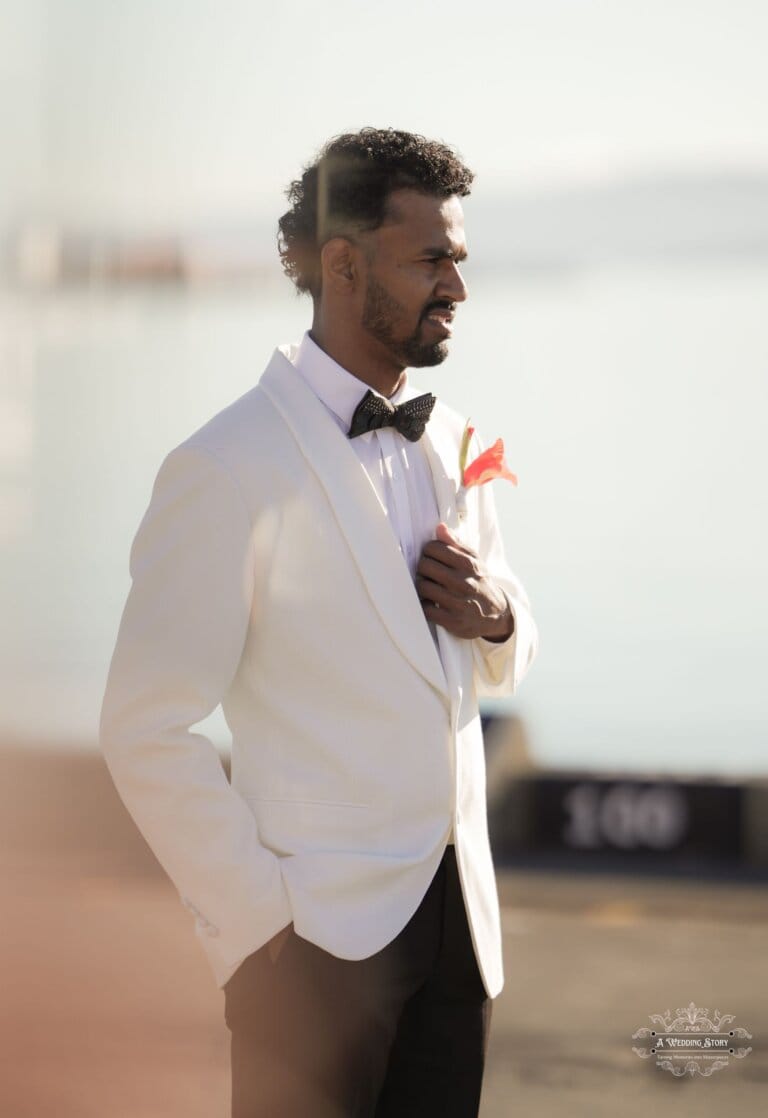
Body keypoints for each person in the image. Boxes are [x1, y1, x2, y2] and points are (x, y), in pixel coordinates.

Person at [100, 128, 538, 1118]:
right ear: (343, 265)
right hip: (310, 954)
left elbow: (504, 644)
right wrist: (259, 932)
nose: (457, 288)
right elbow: (143, 723)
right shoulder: (226, 465)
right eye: (431, 259)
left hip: (460, 935)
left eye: (459, 259)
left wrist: (499, 614)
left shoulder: (454, 439)